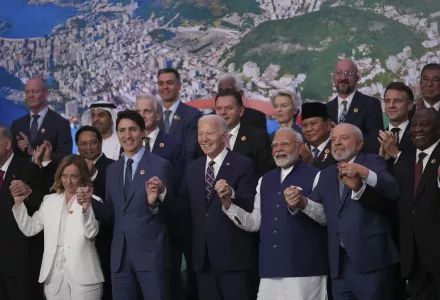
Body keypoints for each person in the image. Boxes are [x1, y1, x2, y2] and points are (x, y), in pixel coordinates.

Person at [288, 123, 400, 300]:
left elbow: (393, 190)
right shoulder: (326, 174)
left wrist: (364, 174)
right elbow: (318, 210)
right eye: (333, 139)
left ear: (359, 145)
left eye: (344, 138)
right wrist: (300, 201)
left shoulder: (373, 162)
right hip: (339, 265)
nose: (337, 142)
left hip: (371, 260)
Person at [223, 127, 328, 299]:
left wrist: (303, 203)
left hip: (304, 268)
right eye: (275, 145)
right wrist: (229, 205)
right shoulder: (265, 179)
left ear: (300, 147)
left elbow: (326, 218)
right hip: (270, 269)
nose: (278, 149)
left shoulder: (317, 175)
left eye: (284, 144)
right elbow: (254, 223)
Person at [89, 110, 175, 300]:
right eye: (122, 130)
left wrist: (159, 197)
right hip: (120, 257)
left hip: (151, 255)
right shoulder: (112, 170)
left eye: (133, 129)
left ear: (143, 132)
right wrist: (90, 201)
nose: (127, 136)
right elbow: (112, 214)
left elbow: (175, 211)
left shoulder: (161, 165)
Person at [180, 115, 258, 300]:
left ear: (224, 137)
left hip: (234, 259)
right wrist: (161, 194)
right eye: (201, 134)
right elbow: (183, 206)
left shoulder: (243, 164)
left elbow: (249, 203)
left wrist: (231, 193)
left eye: (210, 133)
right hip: (203, 260)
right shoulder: (192, 168)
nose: (204, 139)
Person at [11, 154, 104, 300]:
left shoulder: (94, 200)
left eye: (74, 176)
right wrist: (19, 203)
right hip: (54, 274)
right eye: (64, 176)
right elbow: (30, 229)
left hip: (84, 275)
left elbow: (91, 232)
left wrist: (87, 206)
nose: (68, 181)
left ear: (83, 177)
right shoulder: (49, 200)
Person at [135, 94, 192, 300]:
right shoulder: (129, 146)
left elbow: (177, 187)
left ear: (158, 115)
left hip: (166, 229)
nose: (141, 116)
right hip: (138, 230)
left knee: (169, 288)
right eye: (138, 112)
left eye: (147, 111)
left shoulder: (173, 145)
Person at [393, 108, 440, 299]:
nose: (418, 129)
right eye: (414, 125)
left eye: (424, 124)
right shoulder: (403, 158)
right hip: (413, 260)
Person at [0, 126, 45, 300]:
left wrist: (28, 193)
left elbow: (42, 205)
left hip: (20, 262)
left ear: (8, 144)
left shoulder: (28, 168)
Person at [326, 59, 384, 154]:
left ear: (357, 78)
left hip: (361, 164)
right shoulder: (327, 108)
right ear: (334, 77)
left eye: (348, 73)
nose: (343, 77)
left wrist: (343, 134)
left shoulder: (371, 104)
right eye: (339, 73)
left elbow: (375, 142)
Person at [10, 76, 72, 161]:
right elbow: (11, 157)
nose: (30, 95)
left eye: (35, 91)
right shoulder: (17, 125)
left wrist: (35, 154)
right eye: (27, 92)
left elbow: (66, 157)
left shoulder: (61, 124)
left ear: (45, 94)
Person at [215, 89, 274, 176]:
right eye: (219, 108)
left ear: (241, 111)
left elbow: (265, 174)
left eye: (229, 108)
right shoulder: (207, 138)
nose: (223, 112)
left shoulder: (258, 138)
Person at [157, 68, 202, 163]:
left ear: (179, 86)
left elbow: (190, 153)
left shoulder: (193, 115)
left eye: (169, 83)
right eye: (161, 83)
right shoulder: (153, 116)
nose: (165, 87)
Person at [379, 82, 415, 163]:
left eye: (397, 101)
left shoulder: (420, 135)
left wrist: (395, 153)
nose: (391, 105)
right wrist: (380, 162)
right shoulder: (377, 137)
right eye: (387, 101)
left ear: (409, 105)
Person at [299, 101, 336, 169]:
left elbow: (334, 175)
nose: (309, 129)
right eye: (304, 125)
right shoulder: (300, 150)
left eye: (313, 123)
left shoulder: (338, 147)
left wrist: (311, 162)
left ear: (328, 125)